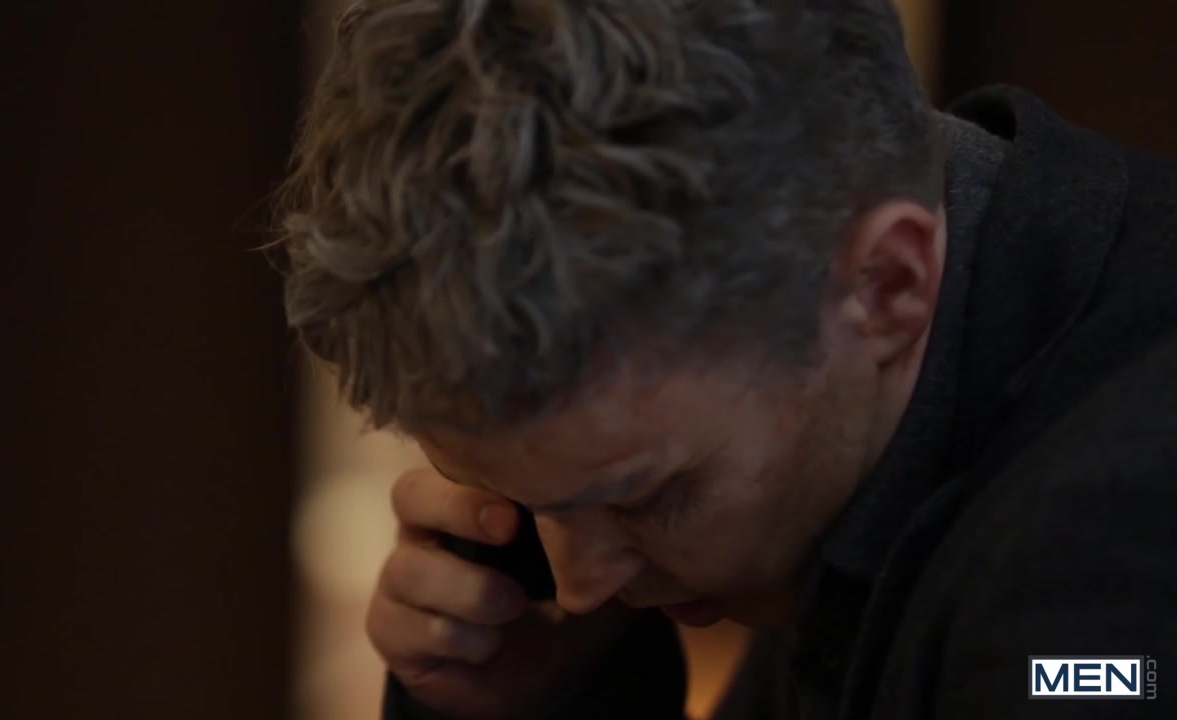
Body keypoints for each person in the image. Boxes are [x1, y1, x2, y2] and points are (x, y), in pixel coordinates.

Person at [273, 0, 1177, 717]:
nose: (577, 589)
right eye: (524, 502)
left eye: (641, 497)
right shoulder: (840, 441)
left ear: (885, 286)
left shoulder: (1099, 580)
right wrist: (549, 699)